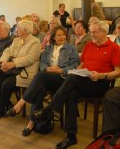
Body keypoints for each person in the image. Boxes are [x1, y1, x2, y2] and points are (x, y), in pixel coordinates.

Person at [34, 20, 120, 149]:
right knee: (70, 94)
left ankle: (49, 109)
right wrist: (78, 70)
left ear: (104, 32)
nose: (92, 34)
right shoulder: (89, 45)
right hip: (83, 79)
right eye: (90, 32)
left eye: (95, 32)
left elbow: (118, 72)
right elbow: (81, 64)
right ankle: (71, 136)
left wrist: (102, 75)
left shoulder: (114, 48)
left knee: (72, 79)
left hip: (100, 83)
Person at [7, 26, 80, 136]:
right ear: (54, 37)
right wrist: (47, 68)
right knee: (40, 88)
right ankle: (31, 122)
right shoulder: (49, 48)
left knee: (40, 77)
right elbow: (42, 63)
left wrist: (61, 70)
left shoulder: (71, 49)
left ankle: (20, 105)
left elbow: (75, 65)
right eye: (59, 35)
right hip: (48, 76)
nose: (62, 37)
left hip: (63, 79)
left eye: (63, 35)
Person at [0, 20, 41, 120]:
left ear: (25, 30)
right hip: (12, 69)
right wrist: (3, 62)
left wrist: (13, 63)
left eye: (18, 28)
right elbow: (7, 51)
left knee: (6, 85)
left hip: (25, 71)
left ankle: (0, 110)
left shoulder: (35, 42)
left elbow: (30, 59)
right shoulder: (17, 40)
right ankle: (7, 104)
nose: (16, 30)